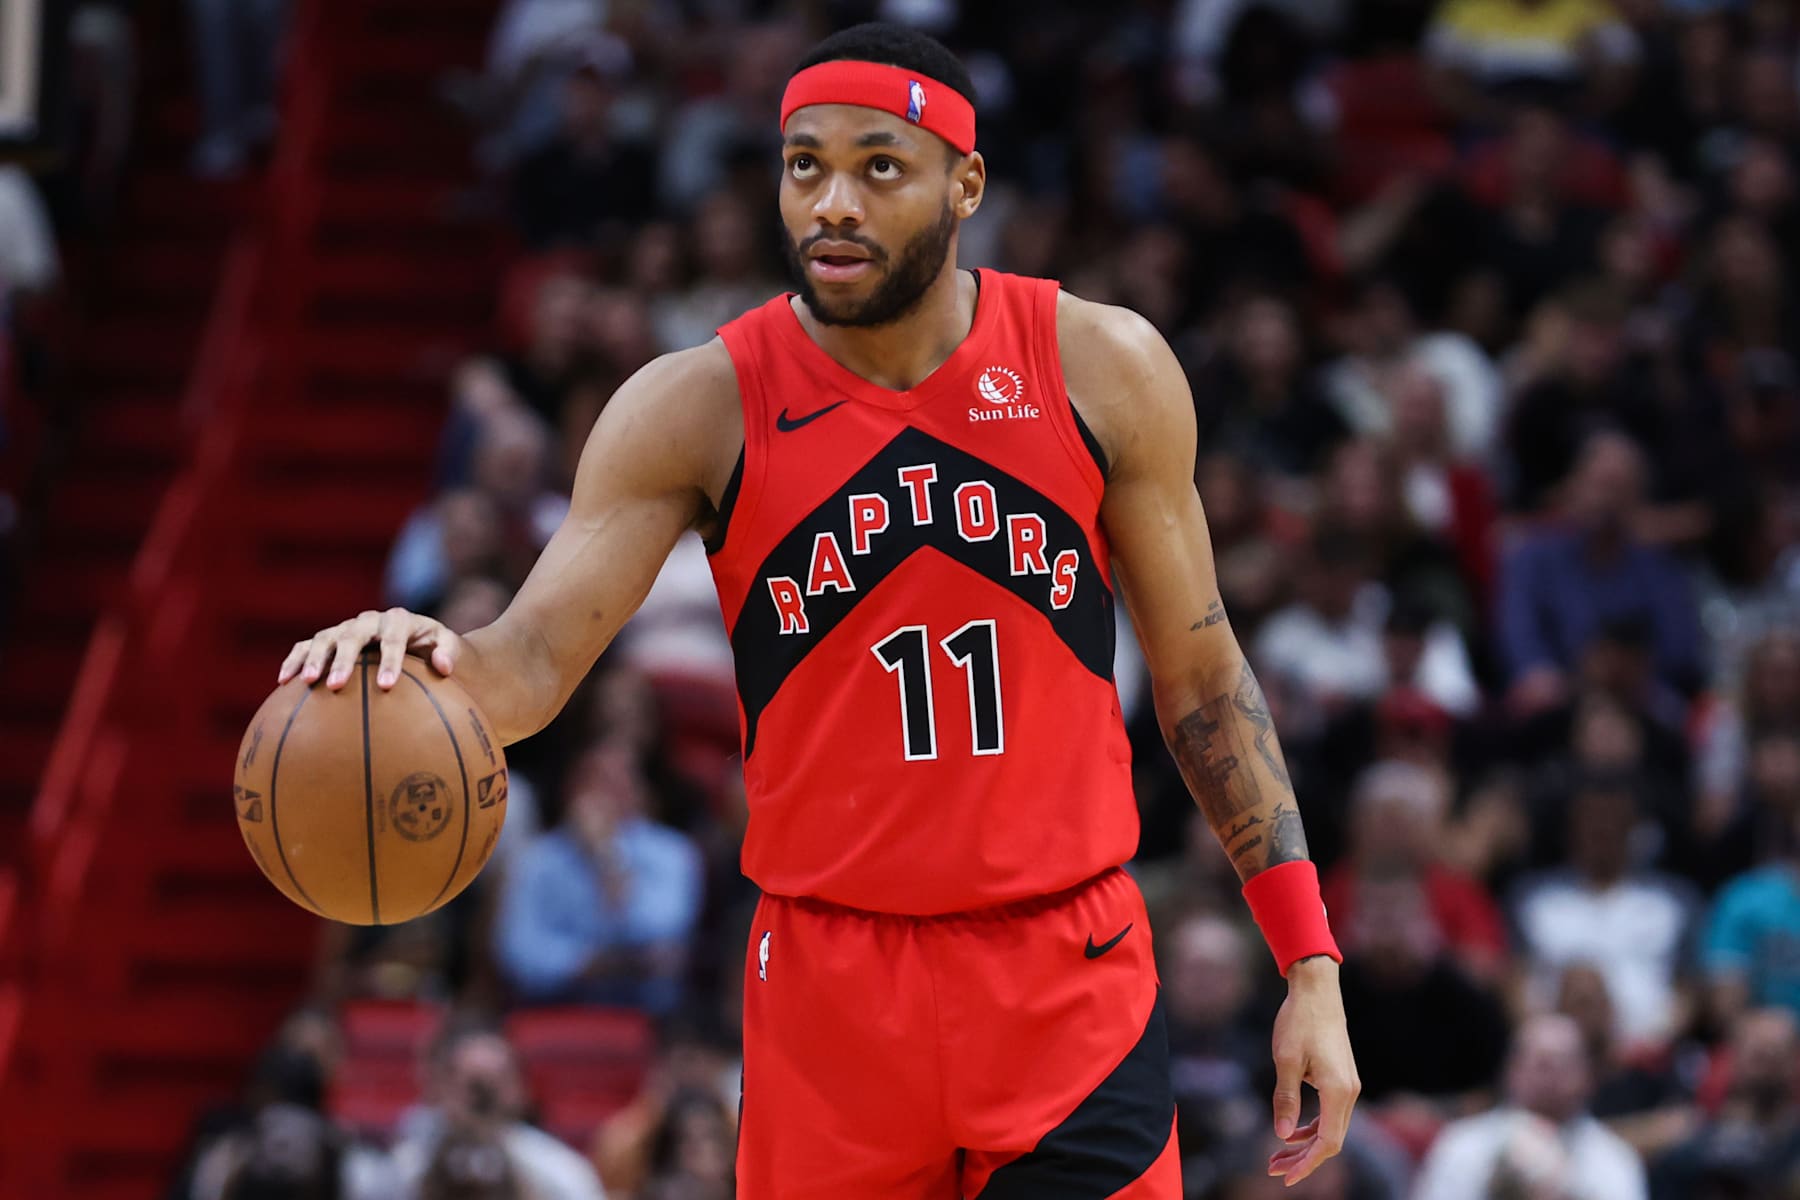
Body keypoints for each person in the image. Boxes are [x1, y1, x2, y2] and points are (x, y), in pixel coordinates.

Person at [279, 23, 1359, 1195]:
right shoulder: (697, 405)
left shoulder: (1100, 366)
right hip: (831, 993)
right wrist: (418, 651)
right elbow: (528, 666)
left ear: (966, 183)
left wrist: (1309, 962)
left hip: (1067, 977)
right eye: (805, 166)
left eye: (878, 166)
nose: (832, 202)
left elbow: (1203, 684)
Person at [1411, 1013, 1648, 1200]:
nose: (1550, 1075)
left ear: (1587, 1076)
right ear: (1510, 1070)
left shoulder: (1614, 1159)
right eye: (1539, 1063)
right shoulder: (1461, 1145)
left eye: (1563, 1063)